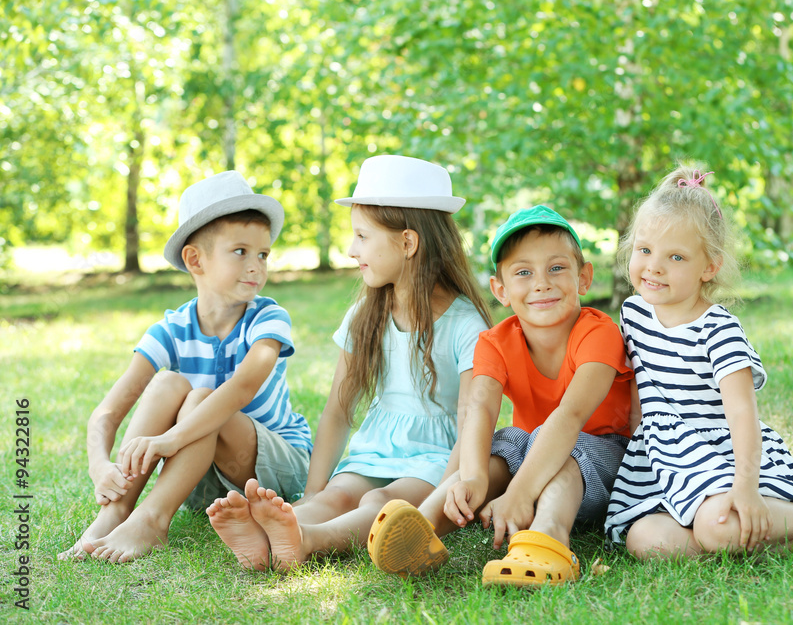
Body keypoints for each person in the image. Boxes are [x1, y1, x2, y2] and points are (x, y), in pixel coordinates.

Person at [603, 165, 793, 562]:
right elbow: (639, 390)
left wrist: (744, 487)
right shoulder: (634, 314)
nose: (654, 266)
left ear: (709, 266)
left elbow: (742, 413)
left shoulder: (718, 328)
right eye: (644, 250)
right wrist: (633, 440)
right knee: (646, 540)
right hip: (663, 464)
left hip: (721, 456)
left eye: (675, 256)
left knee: (717, 525)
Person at [206, 155, 493, 571]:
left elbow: (470, 420)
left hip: (437, 457)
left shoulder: (466, 324)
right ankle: (272, 534)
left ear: (408, 243)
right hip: (376, 448)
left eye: (362, 236)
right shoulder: (365, 315)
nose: (351, 249)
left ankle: (306, 540)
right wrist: (312, 492)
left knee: (381, 501)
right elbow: (338, 411)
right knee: (336, 496)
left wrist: (441, 499)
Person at [366, 205, 634, 587]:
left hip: (606, 461)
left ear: (584, 277)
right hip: (534, 457)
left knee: (562, 446)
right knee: (503, 442)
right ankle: (423, 527)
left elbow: (571, 416)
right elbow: (479, 408)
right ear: (501, 290)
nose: (541, 283)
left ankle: (549, 538)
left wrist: (520, 493)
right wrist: (473, 477)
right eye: (524, 272)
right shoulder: (495, 342)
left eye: (557, 268)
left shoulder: (599, 332)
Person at [58, 171, 312, 563]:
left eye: (263, 254)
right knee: (166, 384)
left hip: (274, 469)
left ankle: (153, 520)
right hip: (201, 476)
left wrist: (171, 439)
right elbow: (107, 412)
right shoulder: (172, 329)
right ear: (195, 259)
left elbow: (242, 389)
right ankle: (116, 511)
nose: (256, 266)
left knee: (202, 398)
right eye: (240, 251)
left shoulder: (268, 318)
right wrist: (99, 465)